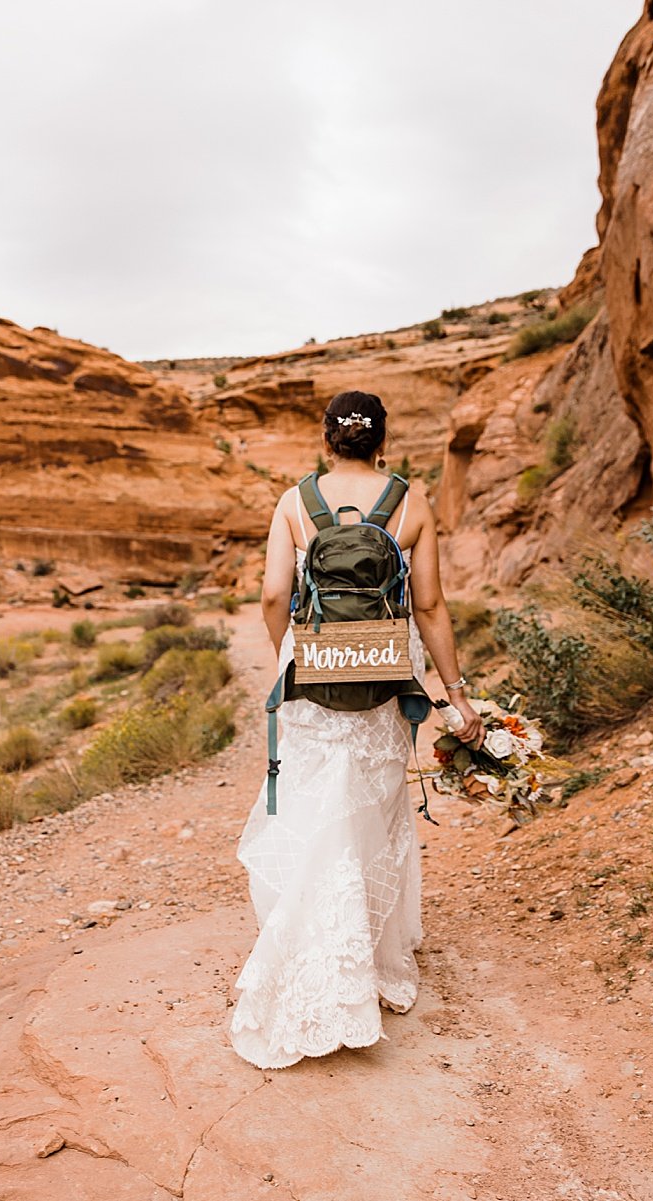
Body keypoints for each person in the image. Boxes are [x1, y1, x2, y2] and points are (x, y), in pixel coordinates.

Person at [230, 390, 483, 1069]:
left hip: (312, 668)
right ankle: (370, 960)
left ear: (326, 440)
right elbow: (427, 602)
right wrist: (454, 694)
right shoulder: (411, 500)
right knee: (372, 803)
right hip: (383, 670)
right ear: (381, 440)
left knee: (314, 799)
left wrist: (296, 652)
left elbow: (271, 595)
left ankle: (305, 941)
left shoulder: (294, 501)